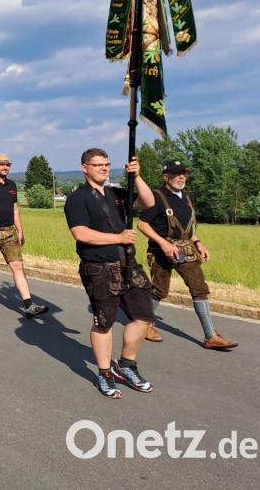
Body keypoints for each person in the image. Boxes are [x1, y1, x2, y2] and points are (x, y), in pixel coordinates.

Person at [64, 148, 156, 398]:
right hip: (99, 269)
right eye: (98, 165)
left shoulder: (117, 194)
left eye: (106, 164)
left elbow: (148, 202)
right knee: (104, 323)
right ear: (85, 168)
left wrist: (136, 176)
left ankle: (127, 365)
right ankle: (104, 373)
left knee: (143, 316)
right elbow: (80, 233)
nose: (104, 168)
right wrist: (118, 237)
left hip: (128, 265)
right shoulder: (78, 198)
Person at [137, 160, 237, 349]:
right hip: (161, 250)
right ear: (166, 177)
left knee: (199, 288)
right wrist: (163, 243)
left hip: (186, 249)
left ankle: (210, 336)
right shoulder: (155, 196)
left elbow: (189, 229)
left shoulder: (186, 197)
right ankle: (146, 325)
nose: (182, 176)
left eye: (184, 173)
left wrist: (198, 243)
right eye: (177, 173)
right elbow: (142, 224)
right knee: (159, 290)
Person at [0, 153, 48, 317]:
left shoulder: (12, 185)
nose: (6, 167)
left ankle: (28, 305)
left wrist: (20, 230)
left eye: (8, 165)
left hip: (10, 232)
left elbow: (15, 210)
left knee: (18, 266)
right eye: (2, 165)